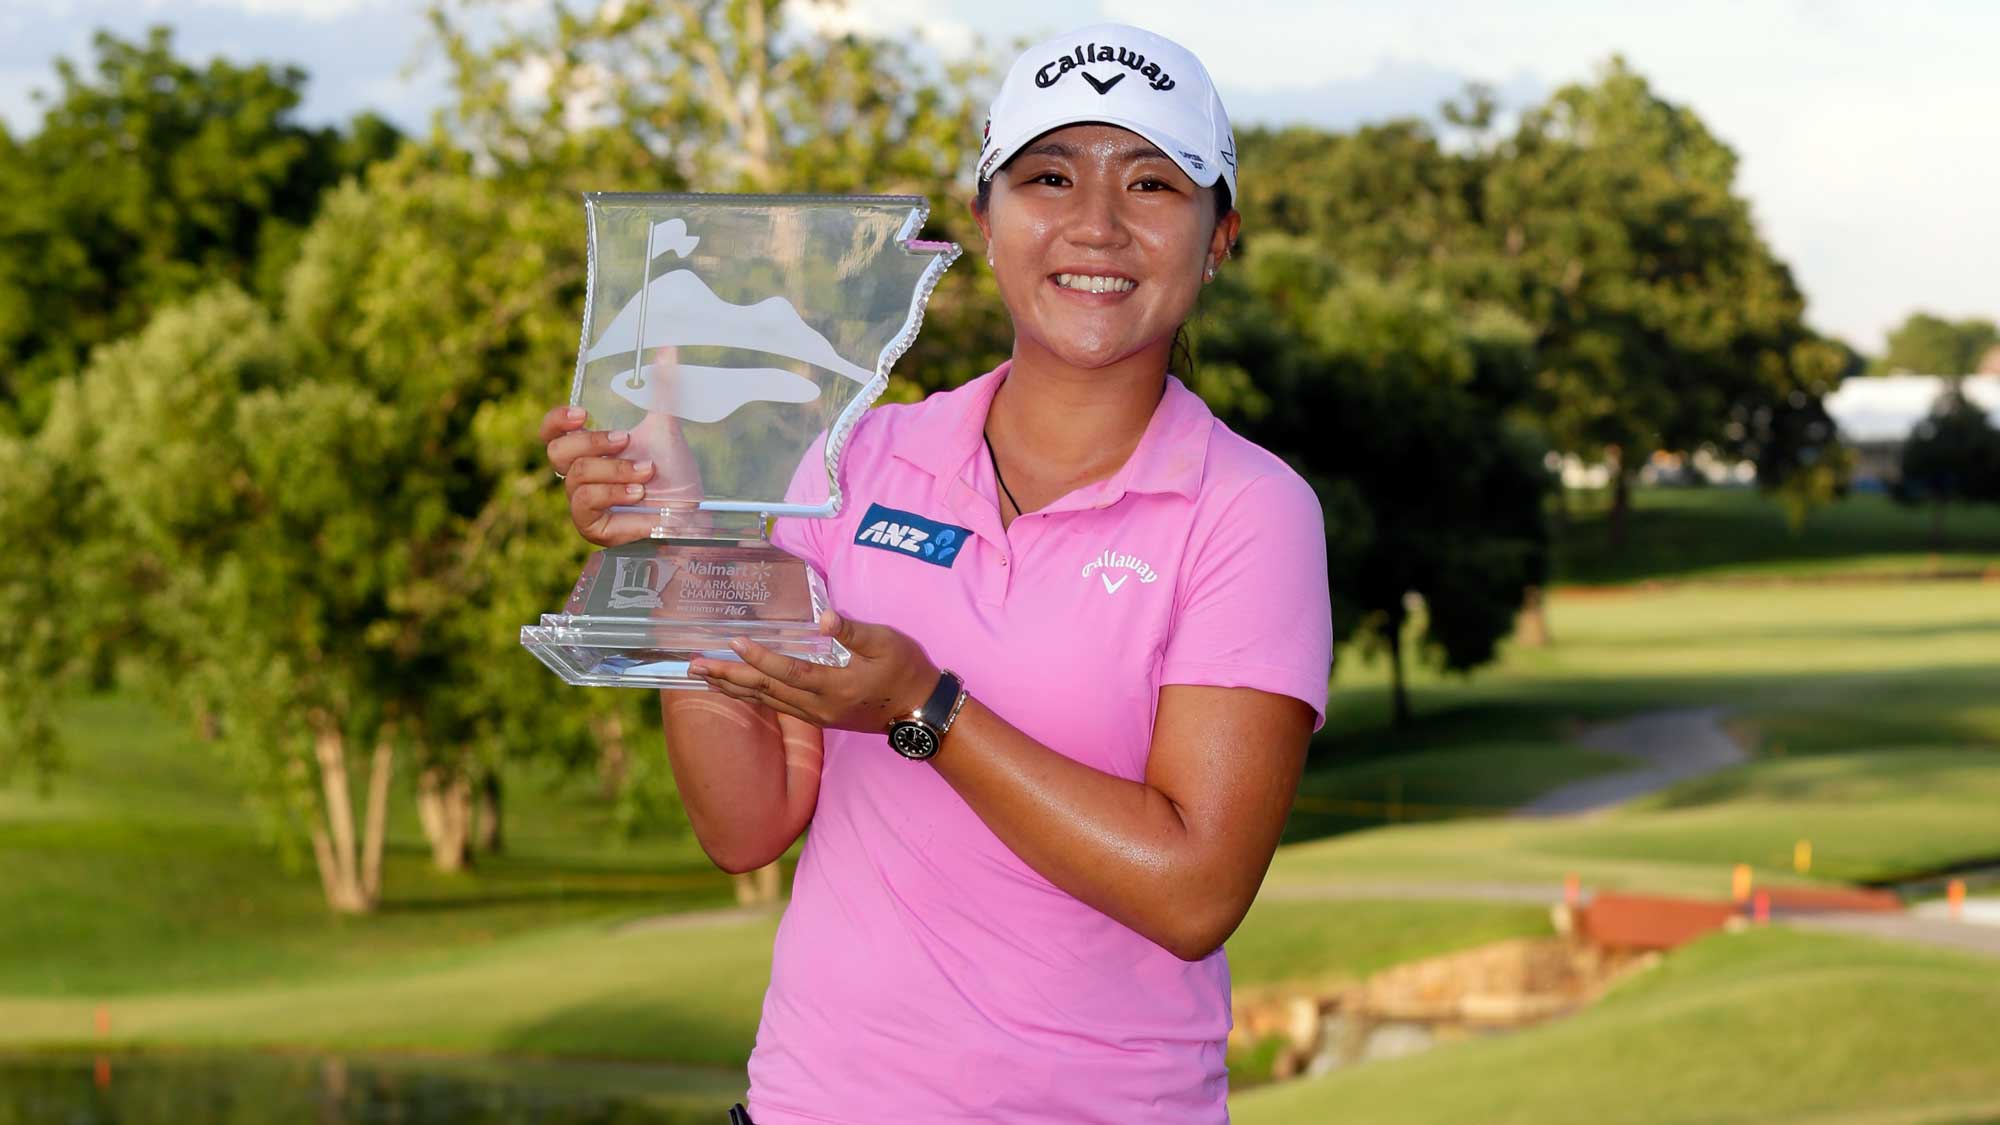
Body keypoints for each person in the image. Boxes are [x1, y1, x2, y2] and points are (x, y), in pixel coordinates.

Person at [540, 23, 1332, 1124]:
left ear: (1217, 236)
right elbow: (744, 822)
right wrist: (679, 539)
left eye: (1151, 182)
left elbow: (1192, 892)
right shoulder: (857, 461)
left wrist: (925, 708)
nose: (1095, 223)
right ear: (983, 221)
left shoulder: (1247, 512)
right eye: (1047, 176)